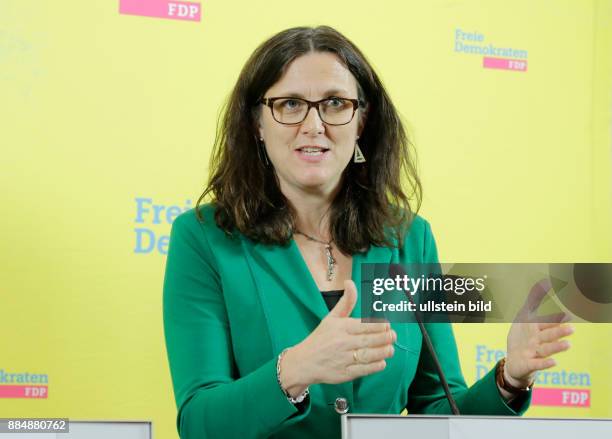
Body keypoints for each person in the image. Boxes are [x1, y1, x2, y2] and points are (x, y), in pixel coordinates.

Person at [162, 25, 573, 439]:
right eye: (289, 104)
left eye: (335, 104)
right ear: (257, 124)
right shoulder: (204, 238)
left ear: (361, 121)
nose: (314, 124)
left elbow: (440, 408)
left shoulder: (409, 237)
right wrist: (295, 370)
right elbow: (199, 423)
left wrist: (510, 378)